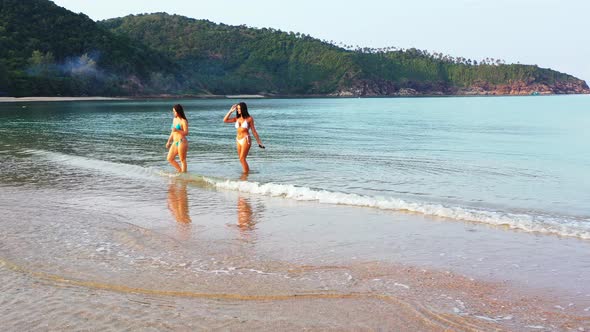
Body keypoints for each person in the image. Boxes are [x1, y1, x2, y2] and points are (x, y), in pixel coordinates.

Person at [223, 102, 265, 174]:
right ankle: (246, 173)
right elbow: (225, 120)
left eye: (239, 109)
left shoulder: (249, 119)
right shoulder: (237, 118)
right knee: (241, 159)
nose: (238, 110)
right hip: (238, 140)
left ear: (243, 109)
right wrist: (230, 111)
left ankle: (245, 175)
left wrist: (259, 142)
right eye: (237, 109)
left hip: (246, 139)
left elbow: (254, 131)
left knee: (242, 158)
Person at [166, 104, 189, 173]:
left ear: (178, 111)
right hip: (175, 142)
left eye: (174, 111)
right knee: (169, 158)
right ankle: (180, 171)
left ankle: (184, 175)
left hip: (182, 141)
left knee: (182, 160)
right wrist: (168, 141)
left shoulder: (183, 121)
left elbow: (186, 132)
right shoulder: (174, 119)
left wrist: (177, 130)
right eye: (173, 111)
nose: (173, 113)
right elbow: (172, 132)